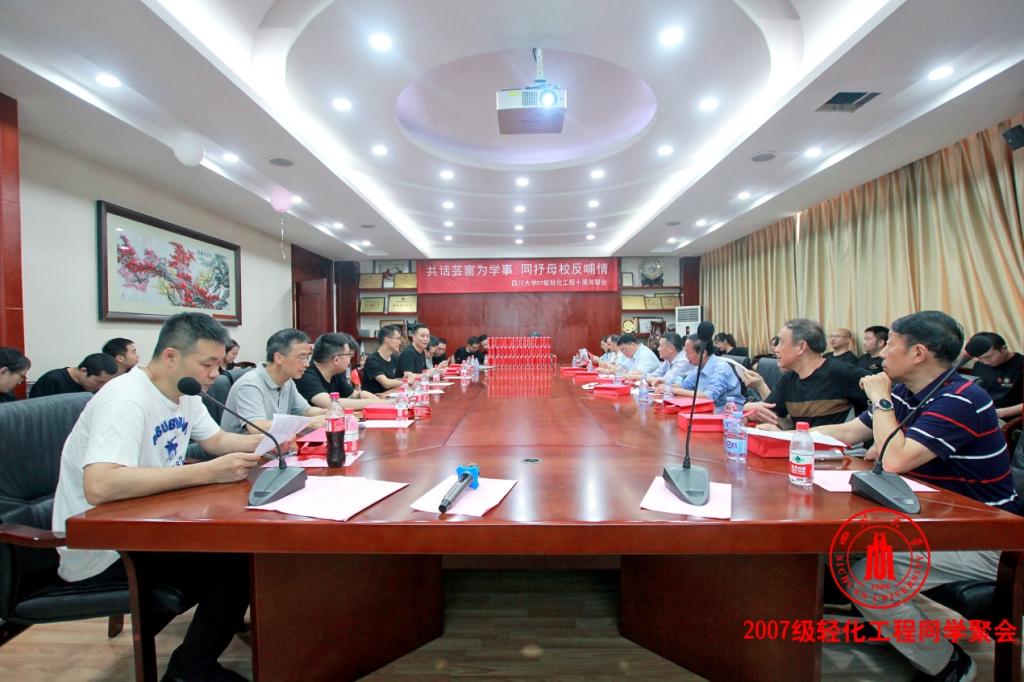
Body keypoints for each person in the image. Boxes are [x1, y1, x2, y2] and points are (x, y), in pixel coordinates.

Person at [52, 312, 263, 682]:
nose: (216, 373)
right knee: (237, 563)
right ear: (170, 356)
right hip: (104, 545)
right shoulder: (126, 399)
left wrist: (273, 441)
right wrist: (207, 472)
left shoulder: (184, 392)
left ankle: (195, 664)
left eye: (219, 364)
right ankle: (189, 672)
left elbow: (216, 441)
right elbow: (100, 485)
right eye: (208, 364)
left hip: (146, 524)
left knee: (246, 552)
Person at [815, 311, 1019, 680]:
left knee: (869, 578)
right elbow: (848, 432)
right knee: (837, 545)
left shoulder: (960, 398)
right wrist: (783, 436)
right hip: (935, 520)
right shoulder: (908, 391)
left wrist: (880, 400)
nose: (881, 354)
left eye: (890, 345)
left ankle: (950, 665)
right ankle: (887, 626)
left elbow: (894, 460)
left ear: (918, 353)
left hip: (987, 537)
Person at [744, 319, 869, 429]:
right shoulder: (789, 379)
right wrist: (747, 407)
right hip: (801, 445)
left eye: (781, 342)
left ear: (801, 347)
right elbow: (769, 413)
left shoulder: (841, 372)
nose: (776, 349)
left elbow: (880, 394)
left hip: (838, 447)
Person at [221, 329, 326, 434]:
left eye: (308, 357)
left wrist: (328, 413)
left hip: (277, 443)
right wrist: (309, 422)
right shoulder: (250, 384)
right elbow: (257, 427)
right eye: (301, 357)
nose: (307, 364)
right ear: (279, 358)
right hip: (248, 444)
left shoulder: (287, 381)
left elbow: (305, 411)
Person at [295, 332, 387, 410]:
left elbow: (351, 394)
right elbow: (329, 403)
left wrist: (362, 394)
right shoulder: (306, 375)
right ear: (336, 360)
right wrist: (374, 402)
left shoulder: (336, 372)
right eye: (349, 355)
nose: (350, 360)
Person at [661, 335, 746, 410]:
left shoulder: (720, 368)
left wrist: (673, 390)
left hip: (728, 414)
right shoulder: (699, 367)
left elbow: (708, 397)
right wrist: (665, 387)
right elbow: (684, 386)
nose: (686, 357)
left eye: (688, 352)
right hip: (707, 410)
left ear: (703, 353)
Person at [969, 332, 1023, 420]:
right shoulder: (979, 365)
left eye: (989, 357)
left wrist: (1000, 413)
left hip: (1007, 418)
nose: (985, 362)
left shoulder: (1020, 364)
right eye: (980, 358)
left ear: (1003, 349)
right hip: (981, 412)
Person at [30, 353, 118, 398]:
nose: (100, 387)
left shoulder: (95, 388)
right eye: (98, 382)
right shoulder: (51, 381)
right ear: (84, 371)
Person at [362, 325, 405, 394]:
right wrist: (406, 382)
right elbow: (386, 384)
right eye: (397, 339)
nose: (400, 342)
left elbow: (398, 378)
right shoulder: (373, 360)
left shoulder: (395, 357)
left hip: (390, 394)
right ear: (386, 339)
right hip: (375, 398)